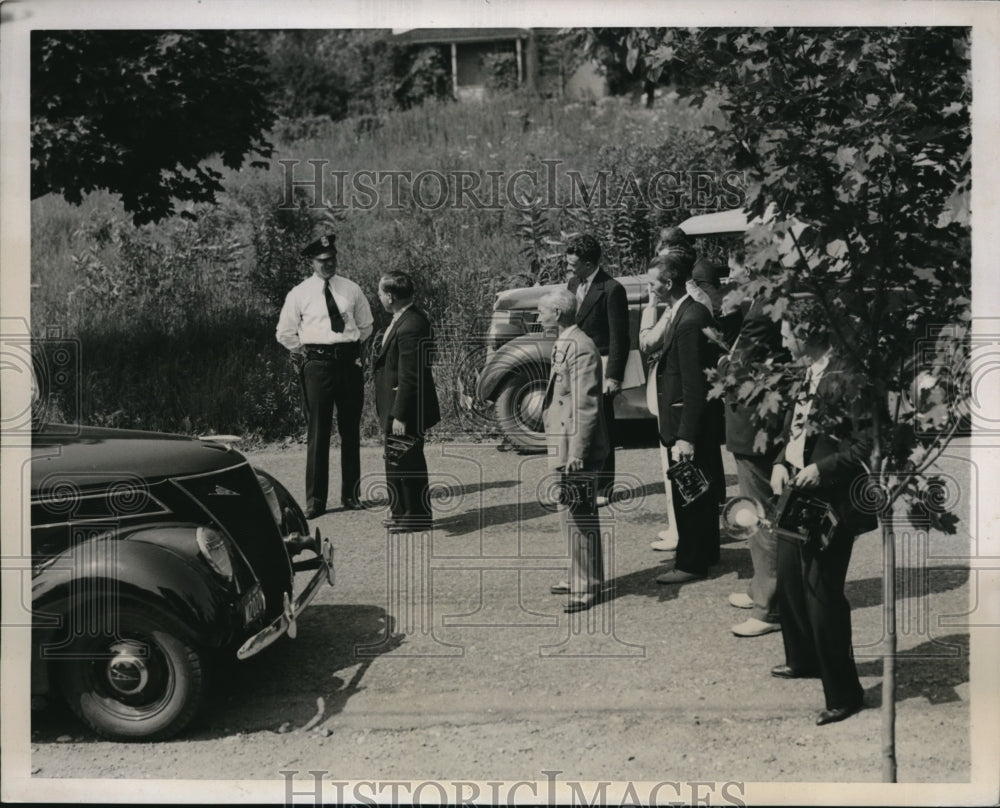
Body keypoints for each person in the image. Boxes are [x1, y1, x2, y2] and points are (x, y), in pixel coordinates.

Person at [769, 299, 875, 726]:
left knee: (821, 593)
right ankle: (804, 659)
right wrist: (781, 460)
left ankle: (845, 692)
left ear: (809, 336)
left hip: (832, 498)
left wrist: (820, 468)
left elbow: (865, 446)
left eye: (786, 331)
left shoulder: (849, 378)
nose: (781, 338)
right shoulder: (807, 374)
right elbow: (791, 430)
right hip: (798, 490)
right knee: (790, 580)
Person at [276, 233, 374, 518]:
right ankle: (315, 501)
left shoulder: (351, 289)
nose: (327, 265)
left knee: (350, 430)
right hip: (317, 365)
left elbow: (366, 326)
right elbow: (284, 333)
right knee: (318, 432)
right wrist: (307, 354)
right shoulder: (299, 294)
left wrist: (349, 348)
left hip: (347, 363)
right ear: (312, 262)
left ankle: (351, 494)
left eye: (331, 260)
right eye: (322, 261)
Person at [648, 250, 725, 583]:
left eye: (653, 283)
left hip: (685, 422)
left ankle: (691, 563)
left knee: (689, 493)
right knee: (700, 491)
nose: (650, 289)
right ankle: (705, 551)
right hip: (689, 420)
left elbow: (694, 383)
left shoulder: (689, 320)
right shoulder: (687, 312)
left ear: (668, 283)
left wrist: (686, 435)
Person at [539, 287, 609, 613]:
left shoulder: (579, 347)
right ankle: (576, 573)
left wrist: (578, 451)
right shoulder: (565, 341)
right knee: (567, 513)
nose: (538, 317)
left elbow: (586, 405)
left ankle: (588, 585)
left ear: (556, 314)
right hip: (561, 442)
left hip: (574, 447)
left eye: (541, 312)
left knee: (581, 516)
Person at [722, 295, 787, 637]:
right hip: (753, 427)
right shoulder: (762, 303)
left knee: (763, 517)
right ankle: (761, 588)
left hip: (756, 427)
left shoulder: (764, 307)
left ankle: (770, 607)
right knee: (760, 516)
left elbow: (742, 364)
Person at [373, 271, 441, 533]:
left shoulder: (412, 324)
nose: (378, 297)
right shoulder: (403, 318)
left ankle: (416, 516)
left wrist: (400, 413)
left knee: (408, 460)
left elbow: (410, 375)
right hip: (395, 404)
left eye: (380, 293)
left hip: (406, 408)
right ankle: (400, 511)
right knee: (395, 459)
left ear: (390, 296)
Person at [564, 234, 629, 506]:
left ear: (589, 264)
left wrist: (614, 375)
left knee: (603, 429)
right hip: (575, 367)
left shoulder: (612, 289)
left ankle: (604, 485)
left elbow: (619, 337)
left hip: (600, 368)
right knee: (578, 425)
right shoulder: (573, 284)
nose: (568, 269)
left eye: (573, 264)